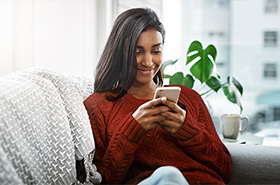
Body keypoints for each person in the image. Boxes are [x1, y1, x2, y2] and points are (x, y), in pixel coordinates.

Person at [84, 7, 232, 185]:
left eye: (156, 50)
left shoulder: (190, 98)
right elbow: (105, 180)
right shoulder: (98, 106)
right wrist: (132, 130)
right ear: (120, 52)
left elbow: (225, 169)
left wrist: (186, 129)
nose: (148, 62)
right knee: (168, 176)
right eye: (137, 52)